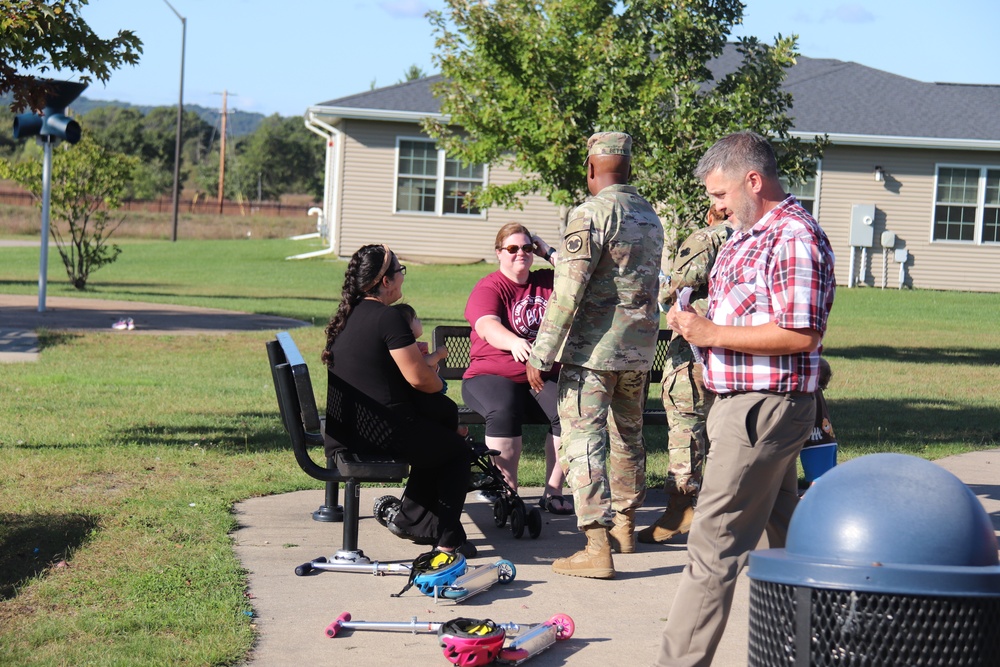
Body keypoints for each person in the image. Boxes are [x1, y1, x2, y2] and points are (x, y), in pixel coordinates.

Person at [654, 130, 836, 666]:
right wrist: (694, 321)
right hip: (743, 404)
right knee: (789, 536)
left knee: (712, 546)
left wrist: (709, 334)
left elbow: (801, 335)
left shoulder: (793, 238)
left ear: (753, 180)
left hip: (762, 407)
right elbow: (750, 312)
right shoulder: (747, 233)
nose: (716, 206)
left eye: (720, 194)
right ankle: (821, 645)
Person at [526, 131, 663, 579]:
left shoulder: (590, 214)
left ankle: (596, 545)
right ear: (628, 168)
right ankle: (624, 526)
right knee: (629, 436)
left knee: (584, 439)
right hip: (639, 351)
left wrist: (542, 352)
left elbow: (567, 291)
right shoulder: (649, 215)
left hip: (593, 353)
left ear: (590, 169)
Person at [322, 244, 475, 558]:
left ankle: (414, 522)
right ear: (386, 282)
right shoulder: (388, 318)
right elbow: (420, 378)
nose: (402, 279)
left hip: (351, 429)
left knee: (439, 433)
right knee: (457, 452)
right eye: (400, 272)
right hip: (379, 434)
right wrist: (438, 382)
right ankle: (447, 541)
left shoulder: (347, 316)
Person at [637, 206, 732, 544]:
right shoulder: (762, 238)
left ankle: (680, 509)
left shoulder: (708, 238)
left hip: (695, 350)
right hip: (739, 351)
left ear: (713, 214)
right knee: (727, 433)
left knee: (686, 426)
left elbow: (674, 288)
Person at [462, 222, 569, 514]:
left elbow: (580, 273)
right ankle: (508, 492)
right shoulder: (490, 286)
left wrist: (548, 251)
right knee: (504, 408)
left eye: (526, 248)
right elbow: (486, 325)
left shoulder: (547, 281)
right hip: (491, 375)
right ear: (499, 253)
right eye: (512, 248)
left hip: (539, 377)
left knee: (569, 410)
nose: (519, 253)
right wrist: (514, 342)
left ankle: (554, 490)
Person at [799, 357, 838, 486]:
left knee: (818, 484)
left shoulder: (810, 393)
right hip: (827, 442)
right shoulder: (817, 392)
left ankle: (810, 502)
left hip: (816, 444)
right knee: (827, 481)